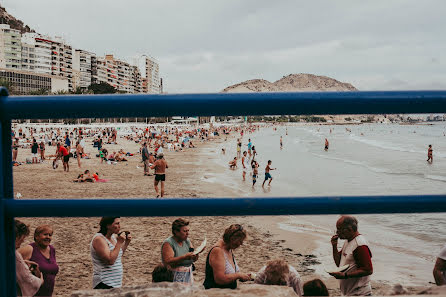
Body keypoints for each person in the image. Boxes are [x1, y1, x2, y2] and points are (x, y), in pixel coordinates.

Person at [330, 215, 373, 296]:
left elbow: (368, 270)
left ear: (350, 229)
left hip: (359, 293)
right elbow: (339, 263)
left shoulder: (360, 244)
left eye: (339, 229)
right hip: (349, 292)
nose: (337, 233)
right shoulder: (348, 241)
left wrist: (345, 275)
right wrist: (334, 246)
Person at [203, 224, 251, 289]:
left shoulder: (228, 248)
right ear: (232, 239)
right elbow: (219, 279)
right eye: (240, 241)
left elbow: (231, 273)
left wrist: (243, 276)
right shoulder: (217, 250)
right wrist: (238, 275)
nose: (241, 244)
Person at [90, 217, 132, 289]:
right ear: (107, 225)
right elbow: (110, 260)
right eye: (117, 223)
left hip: (115, 283)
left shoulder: (112, 237)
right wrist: (119, 242)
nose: (119, 226)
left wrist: (126, 243)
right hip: (104, 283)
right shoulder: (99, 239)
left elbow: (117, 255)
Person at [18, 225, 59, 296]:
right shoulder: (29, 249)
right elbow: (14, 267)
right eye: (45, 234)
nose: (48, 237)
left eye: (50, 235)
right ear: (36, 236)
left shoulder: (52, 249)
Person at [161, 218, 199, 284]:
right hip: (173, 276)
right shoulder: (168, 243)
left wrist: (196, 255)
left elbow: (193, 259)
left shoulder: (187, 241)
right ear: (176, 232)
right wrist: (184, 257)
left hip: (187, 275)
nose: (187, 233)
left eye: (188, 231)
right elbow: (168, 261)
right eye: (184, 231)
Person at [15, 219, 44, 296]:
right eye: (22, 238)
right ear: (17, 236)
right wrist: (40, 280)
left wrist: (22, 262)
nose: (23, 241)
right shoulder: (14, 254)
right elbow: (27, 279)